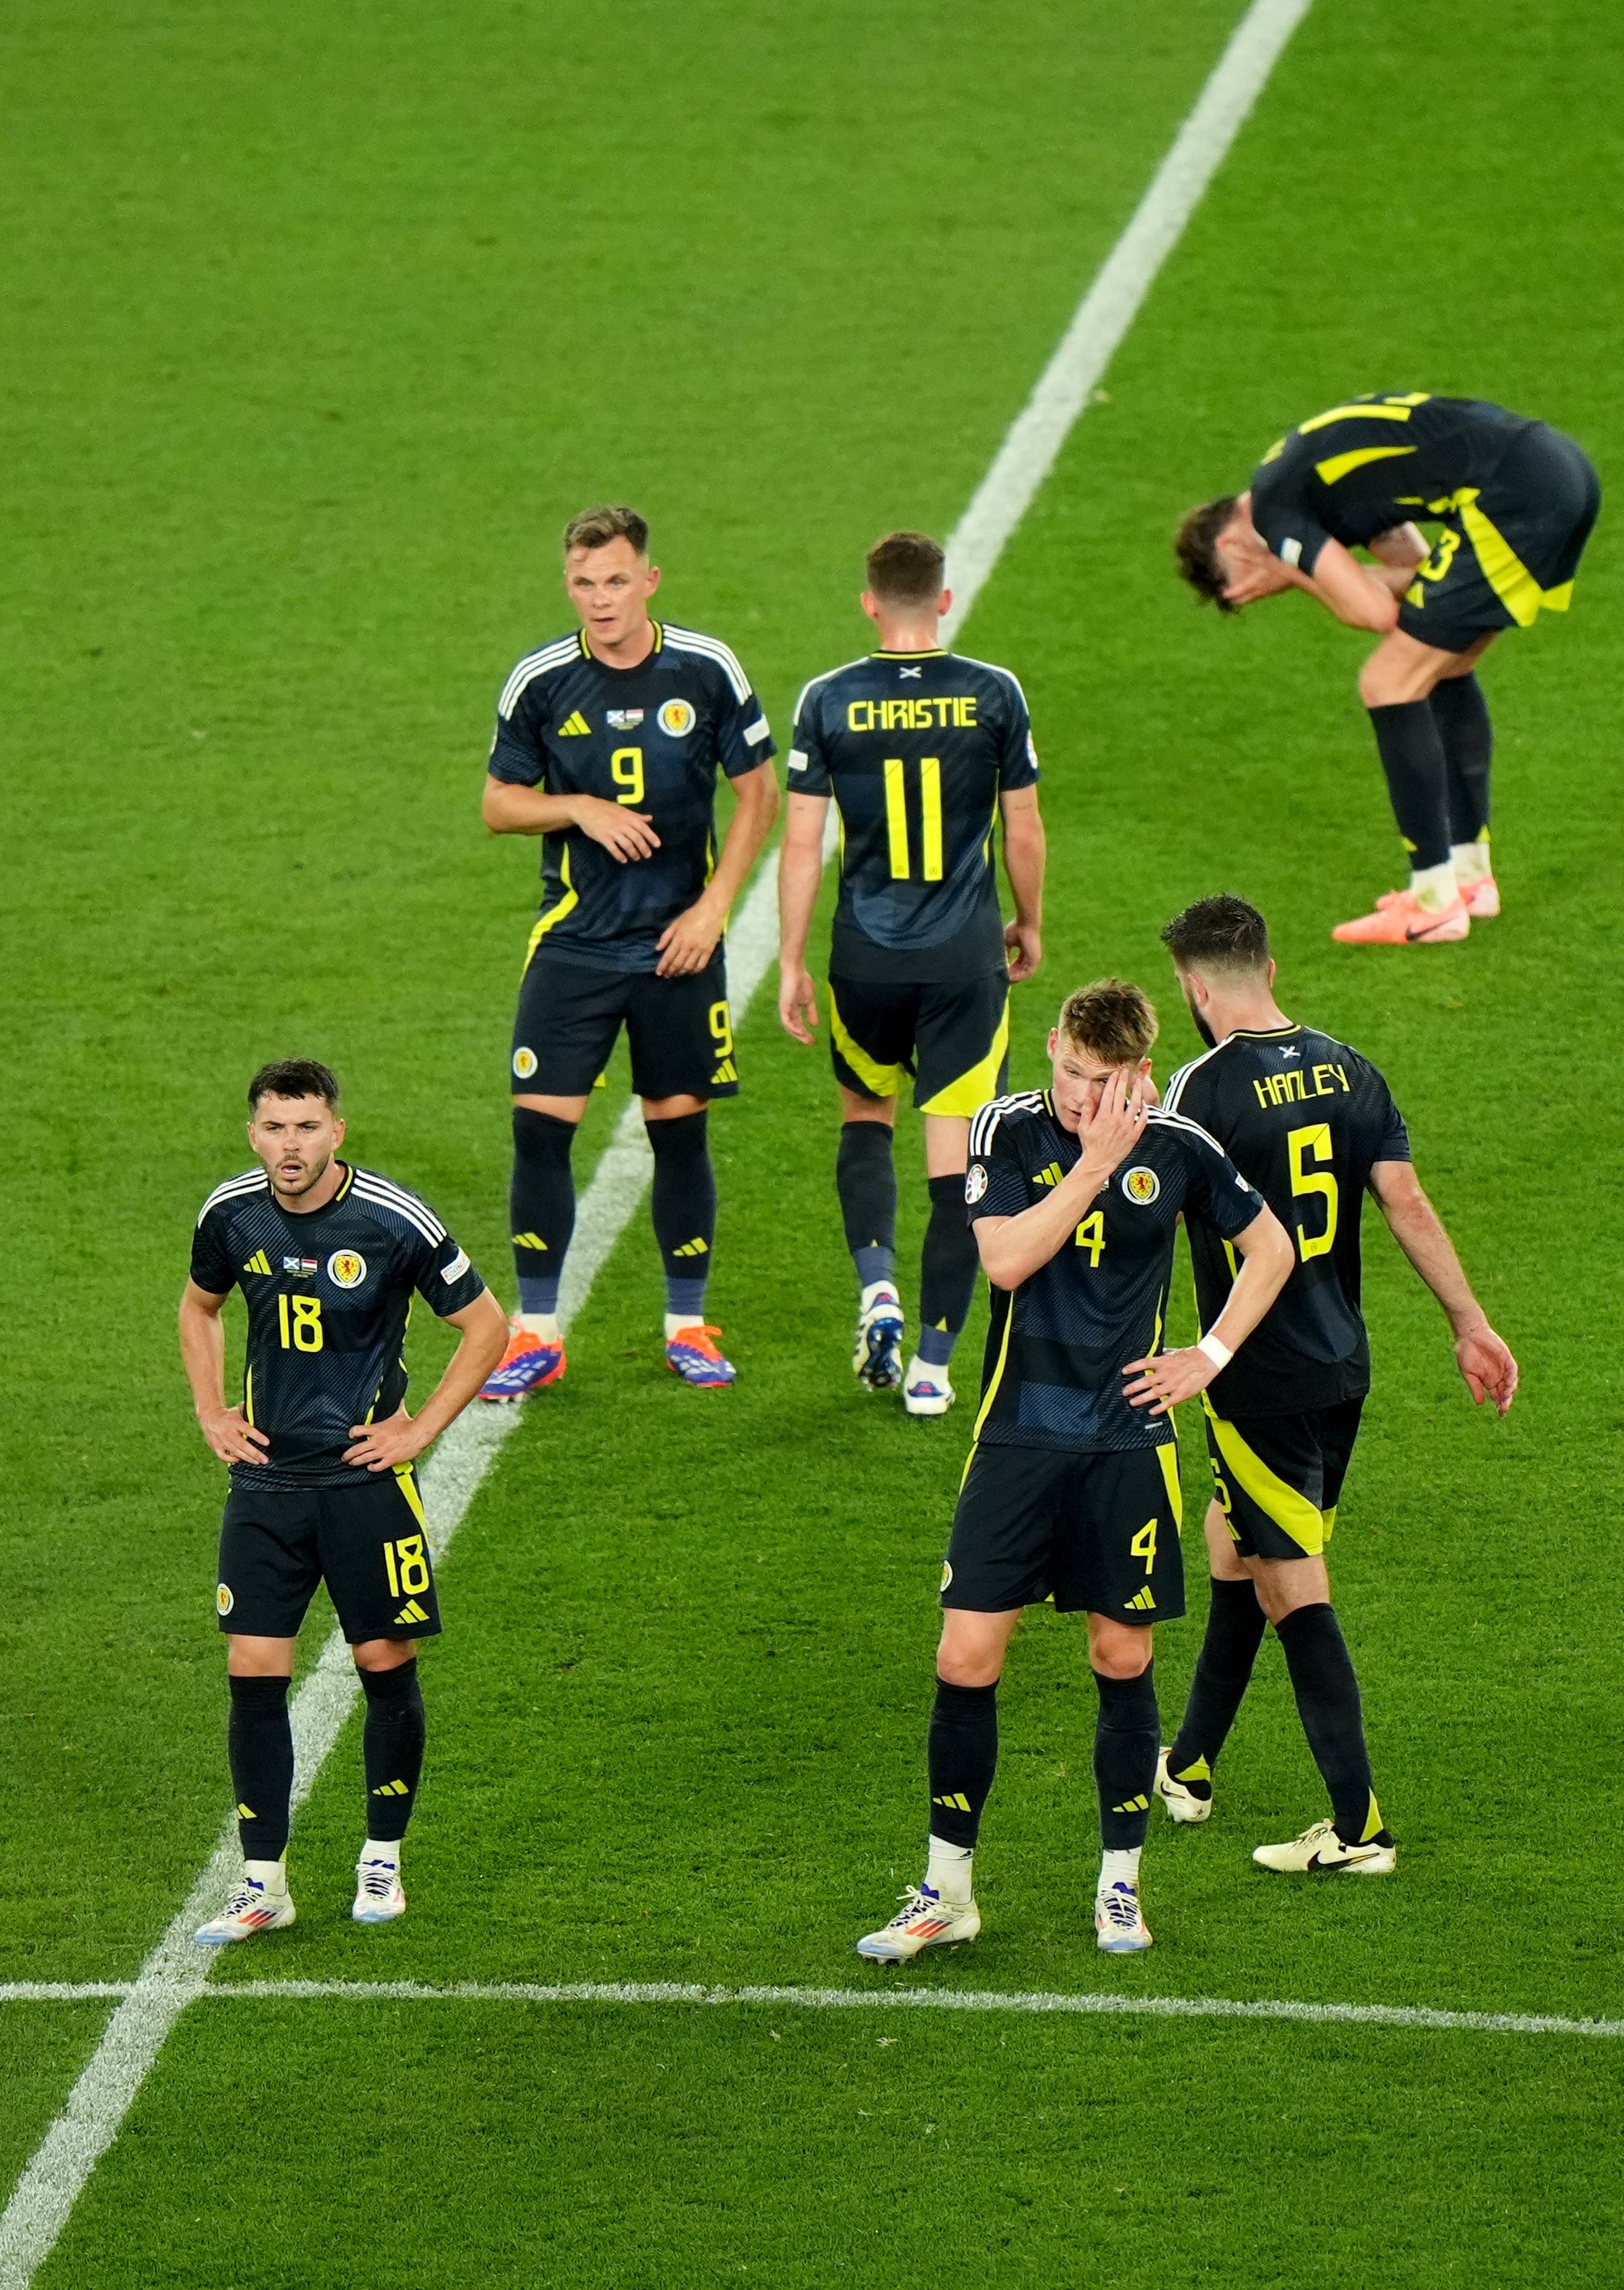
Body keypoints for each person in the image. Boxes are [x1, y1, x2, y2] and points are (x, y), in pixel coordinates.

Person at [855, 982, 1293, 1962]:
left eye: (1104, 1080)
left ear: (1140, 1068)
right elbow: (1005, 1259)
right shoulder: (1006, 1130)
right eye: (1070, 1070)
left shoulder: (1177, 1144)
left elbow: (1271, 1246)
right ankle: (948, 1890)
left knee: (1121, 1658)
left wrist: (1207, 1357)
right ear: (1051, 1043)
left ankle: (1120, 1883)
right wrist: (1094, 1165)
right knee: (964, 1657)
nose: (1083, 1093)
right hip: (1015, 1437)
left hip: (1127, 1445)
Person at [1152, 896, 1518, 1873]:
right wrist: (1469, 1323)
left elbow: (1143, 1221)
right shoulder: (1350, 1066)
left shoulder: (1196, 1090)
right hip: (1341, 1364)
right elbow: (1405, 1200)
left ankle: (1358, 1826)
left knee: (1288, 1580)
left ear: (1193, 986)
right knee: (1236, 1543)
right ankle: (1187, 1765)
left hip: (1255, 1374)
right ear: (1268, 968)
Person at [179, 1059, 508, 1941]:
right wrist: (212, 1409)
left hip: (366, 1485)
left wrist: (421, 1429)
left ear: (337, 1132)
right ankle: (262, 1883)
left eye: (307, 1127)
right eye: (275, 1128)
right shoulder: (230, 1213)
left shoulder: (392, 1219)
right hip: (266, 1486)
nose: (291, 1146)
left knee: (383, 1667)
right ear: (254, 1133)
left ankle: (382, 1857)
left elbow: (485, 1326)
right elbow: (199, 1307)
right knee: (252, 1671)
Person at [479, 505, 779, 1397]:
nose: (600, 600)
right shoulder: (539, 679)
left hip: (677, 947)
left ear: (648, 579)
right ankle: (535, 1331)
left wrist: (715, 908)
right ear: (566, 584)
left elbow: (757, 795)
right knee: (540, 1131)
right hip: (572, 944)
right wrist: (576, 808)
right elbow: (498, 803)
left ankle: (687, 1323)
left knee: (678, 1134)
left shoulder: (706, 667)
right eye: (583, 582)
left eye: (615, 580)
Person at [779, 530, 1046, 1417]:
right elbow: (1022, 830)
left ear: (867, 601)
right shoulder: (992, 693)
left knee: (865, 1117)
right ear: (942, 599)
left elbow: (802, 847)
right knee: (959, 1155)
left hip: (865, 959)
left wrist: (787, 959)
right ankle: (932, 1367)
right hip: (964, 959)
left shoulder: (827, 699)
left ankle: (876, 1286)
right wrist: (1029, 919)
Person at [1175, 394, 1601, 944]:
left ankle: (1432, 902)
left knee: (1385, 683)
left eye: (1243, 580)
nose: (1260, 589)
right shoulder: (1314, 480)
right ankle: (1469, 881)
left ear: (1233, 543)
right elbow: (1420, 578)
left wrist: (1295, 572)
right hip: (1556, 470)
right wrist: (1336, 574)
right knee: (1442, 665)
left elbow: (1373, 613)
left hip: (1513, 495)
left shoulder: (1273, 512)